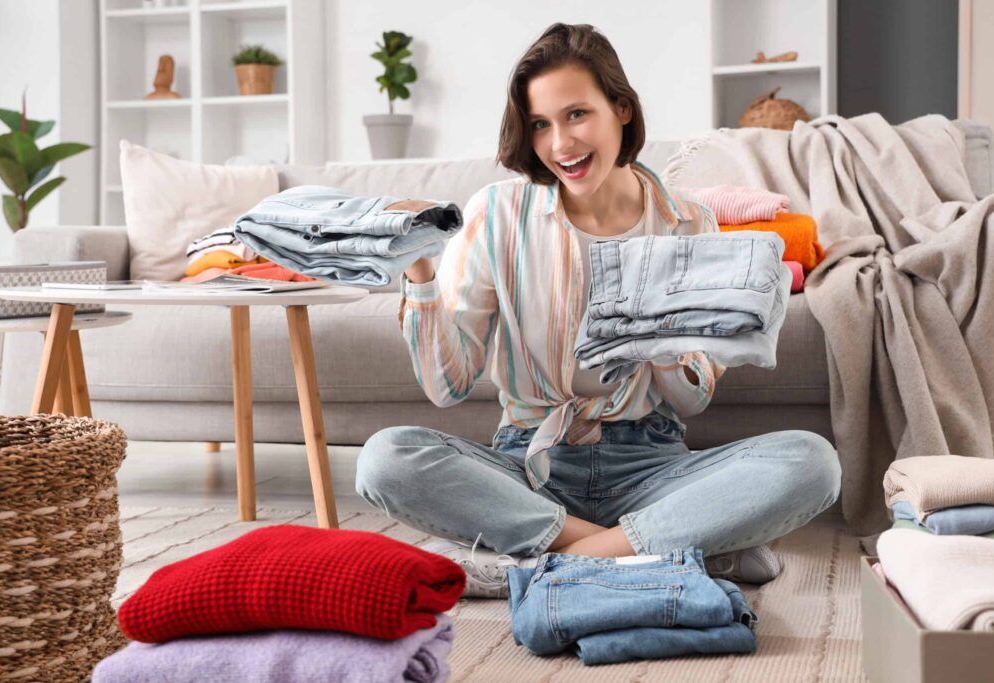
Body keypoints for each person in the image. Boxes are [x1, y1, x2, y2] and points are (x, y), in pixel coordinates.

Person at [356, 23, 841, 598]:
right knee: (386, 459)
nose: (560, 143)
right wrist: (420, 271)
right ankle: (662, 550)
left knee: (812, 462)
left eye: (577, 114)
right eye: (541, 124)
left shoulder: (687, 223)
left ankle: (546, 559)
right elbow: (448, 386)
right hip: (530, 466)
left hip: (653, 466)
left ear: (622, 109)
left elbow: (693, 397)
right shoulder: (497, 213)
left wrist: (650, 336)